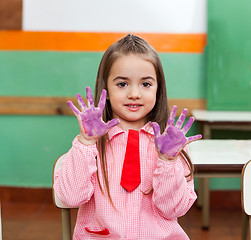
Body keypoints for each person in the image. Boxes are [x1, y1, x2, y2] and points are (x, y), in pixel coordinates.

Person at [53, 34, 202, 239]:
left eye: (146, 84)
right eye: (122, 84)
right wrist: (86, 142)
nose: (134, 93)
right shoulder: (91, 146)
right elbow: (70, 198)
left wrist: (168, 161)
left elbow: (173, 209)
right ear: (105, 87)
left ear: (158, 89)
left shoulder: (170, 147)